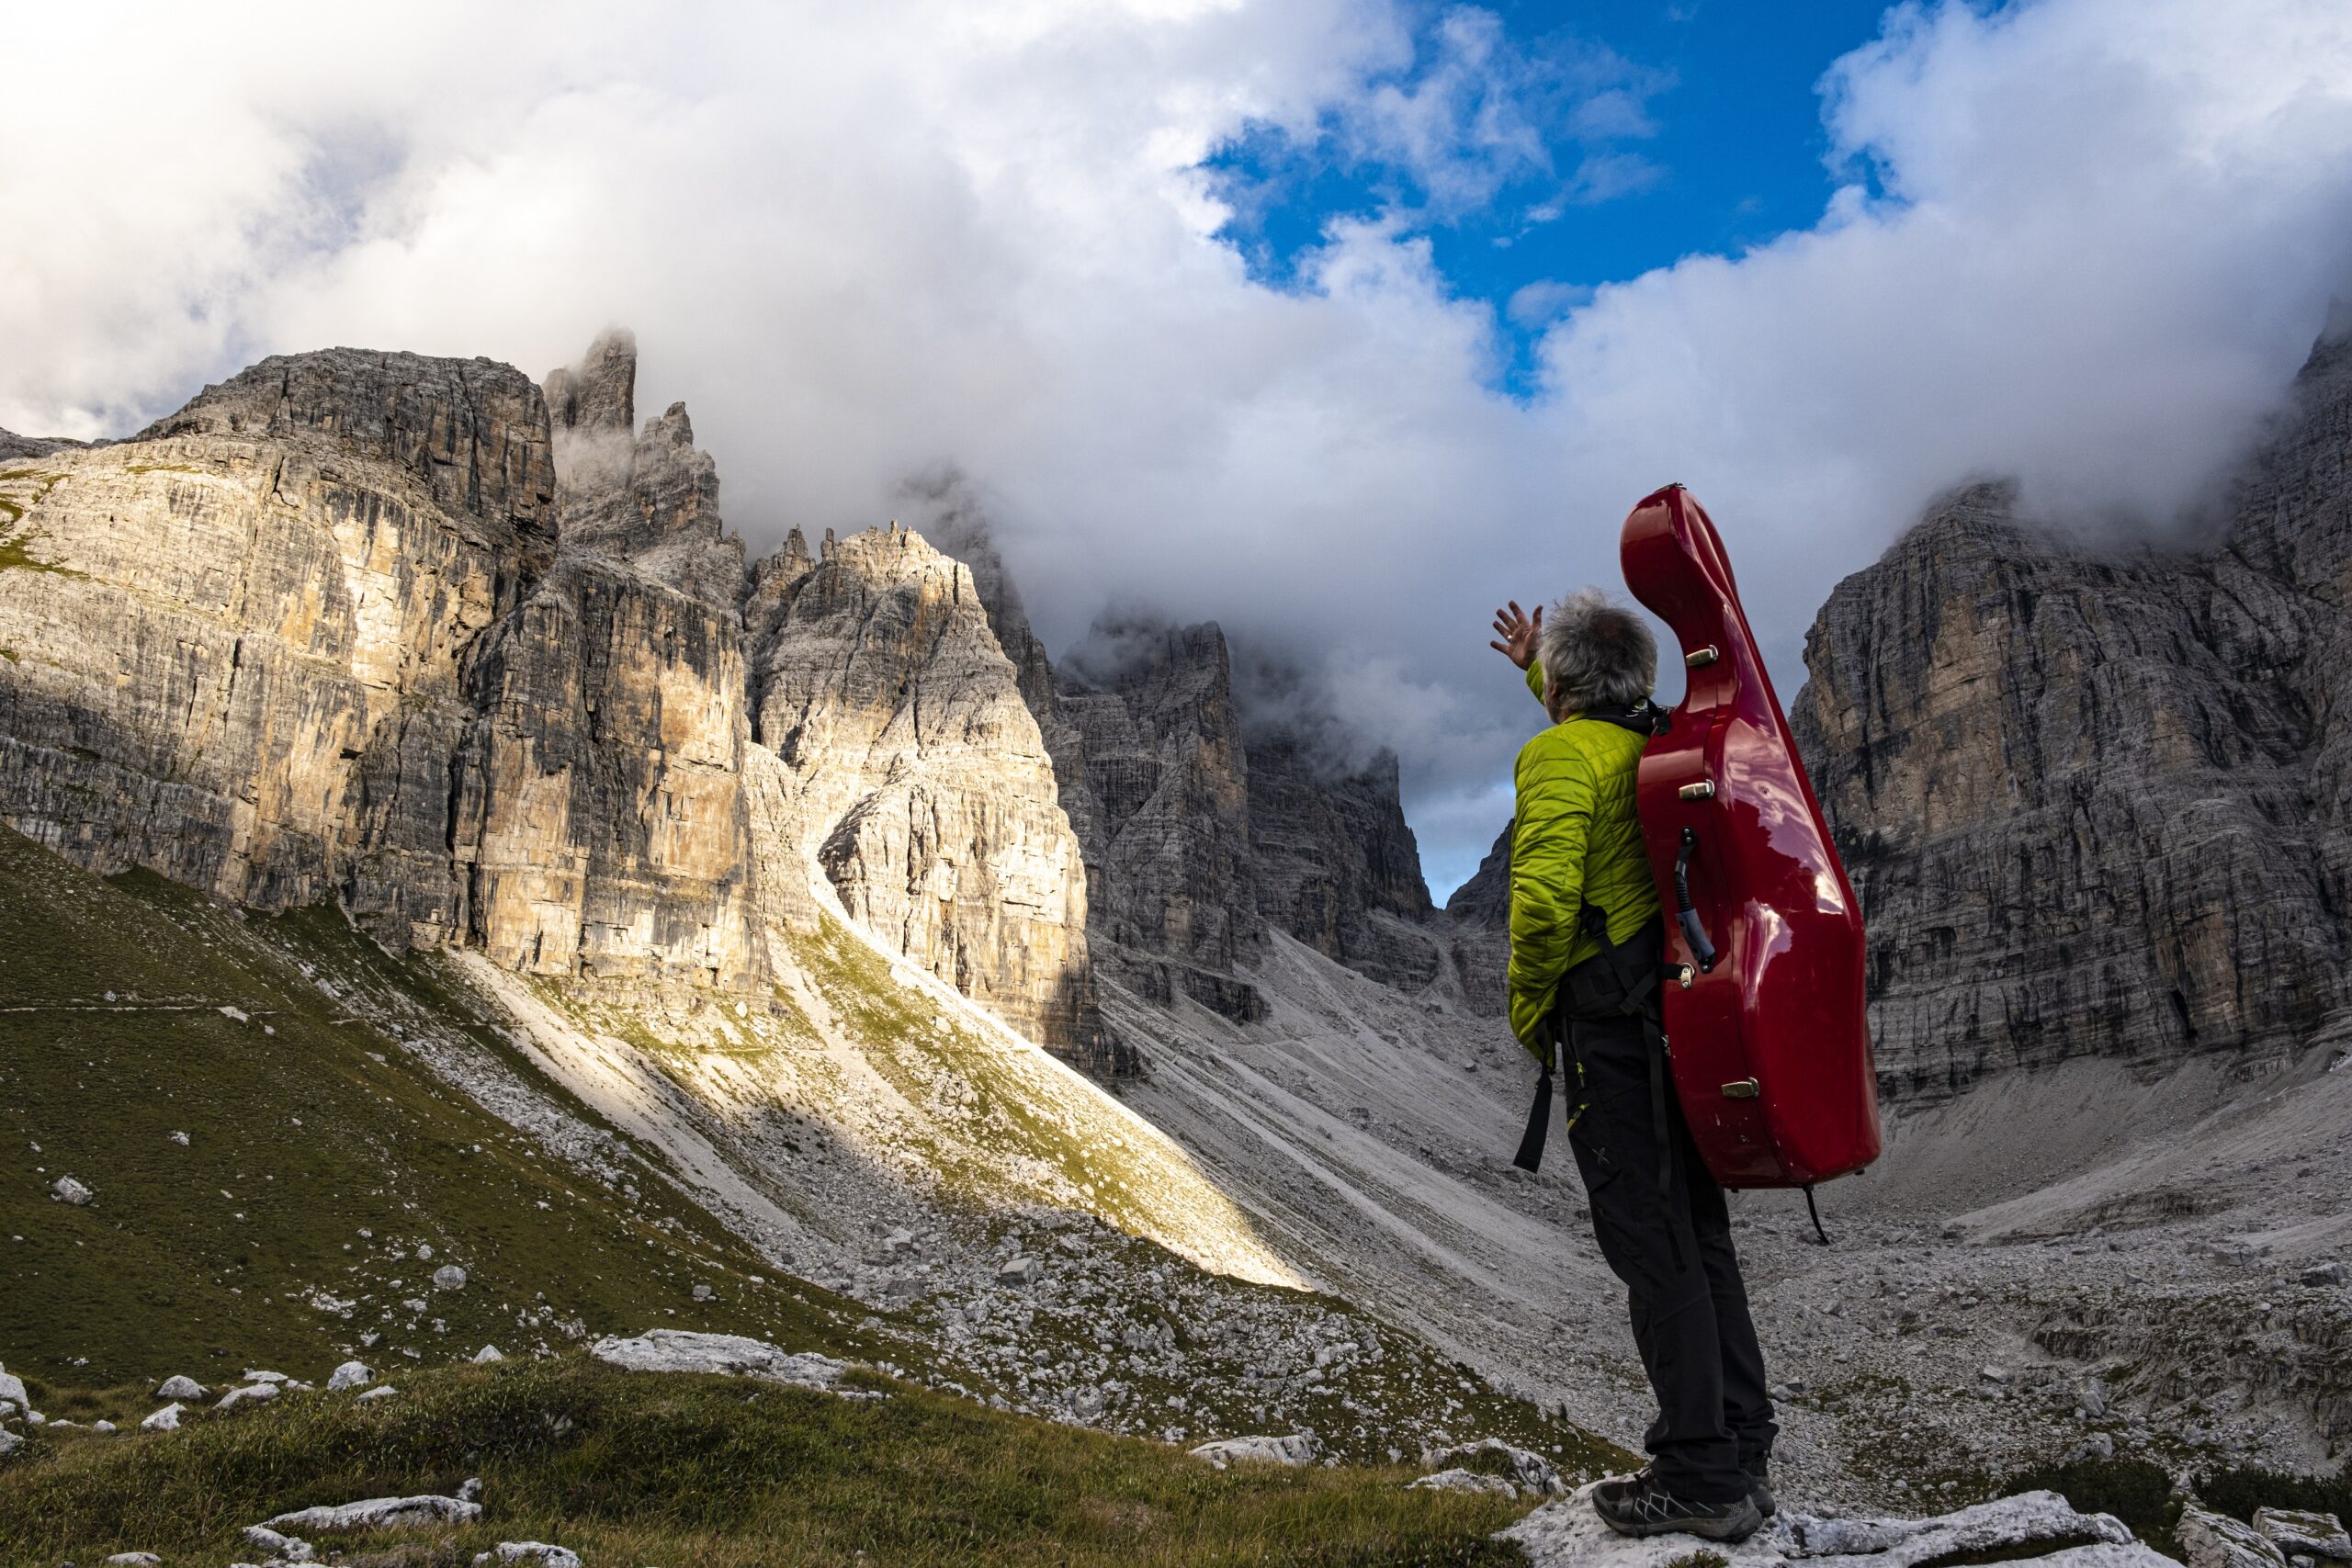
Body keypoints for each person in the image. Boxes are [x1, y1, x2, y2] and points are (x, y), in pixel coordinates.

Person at [1490, 592, 1776, 1542]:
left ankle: (1696, 1475)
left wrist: (1532, 1012)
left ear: (1567, 689)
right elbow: (1600, 723)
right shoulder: (1658, 739)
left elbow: (1540, 905)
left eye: (1555, 684)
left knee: (1649, 1247)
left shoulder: (1558, 754)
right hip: (1679, 1021)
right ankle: (1740, 1449)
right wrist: (1545, 667)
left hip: (1610, 1032)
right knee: (1696, 1232)